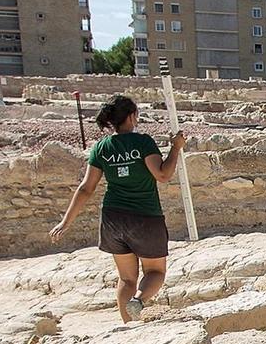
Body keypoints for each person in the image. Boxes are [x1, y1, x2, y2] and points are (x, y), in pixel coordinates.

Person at [49, 96, 187, 323]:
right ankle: (139, 302)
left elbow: (86, 189)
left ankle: (128, 325)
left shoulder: (101, 148)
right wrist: (175, 148)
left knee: (126, 278)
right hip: (145, 217)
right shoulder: (142, 142)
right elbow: (163, 174)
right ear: (132, 116)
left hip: (113, 218)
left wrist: (65, 222)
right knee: (155, 273)